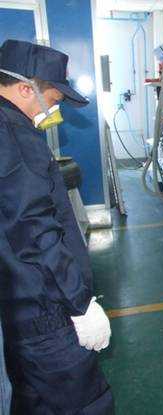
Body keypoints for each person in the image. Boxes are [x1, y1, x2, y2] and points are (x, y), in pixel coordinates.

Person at [0, 39, 113, 414]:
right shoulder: (16, 136)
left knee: (35, 402)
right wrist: (80, 304)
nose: (54, 109)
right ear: (24, 88)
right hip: (45, 311)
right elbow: (35, 230)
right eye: (53, 99)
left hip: (17, 304)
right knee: (85, 403)